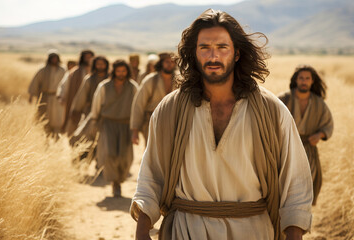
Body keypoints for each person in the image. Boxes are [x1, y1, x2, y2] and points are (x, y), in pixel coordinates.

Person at [131, 9, 313, 240]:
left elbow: (294, 180)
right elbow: (151, 175)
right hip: (186, 230)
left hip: (253, 232)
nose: (213, 56)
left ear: (237, 53)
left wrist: (294, 234)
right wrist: (142, 230)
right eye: (204, 48)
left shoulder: (271, 110)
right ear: (193, 54)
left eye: (222, 47)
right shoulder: (170, 110)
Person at [278, 65, 334, 206]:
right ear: (296, 80)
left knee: (306, 192)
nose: (304, 81)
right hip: (285, 150)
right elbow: (269, 121)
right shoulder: (283, 100)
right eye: (301, 78)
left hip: (309, 151)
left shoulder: (319, 103)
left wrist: (320, 135)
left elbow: (328, 124)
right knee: (282, 189)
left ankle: (300, 222)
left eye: (307, 78)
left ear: (312, 81)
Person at [90, 60, 138, 197]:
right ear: (114, 71)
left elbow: (138, 106)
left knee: (125, 156)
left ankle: (120, 180)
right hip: (108, 124)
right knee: (110, 154)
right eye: (118, 71)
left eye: (123, 71)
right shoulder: (104, 86)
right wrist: (94, 120)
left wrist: (136, 125)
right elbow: (97, 104)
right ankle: (114, 183)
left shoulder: (133, 87)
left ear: (127, 72)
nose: (121, 74)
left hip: (126, 124)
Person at [130, 52, 176, 146]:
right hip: (152, 122)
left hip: (175, 122)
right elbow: (139, 104)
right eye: (167, 61)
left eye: (172, 61)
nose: (170, 64)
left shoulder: (180, 80)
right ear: (161, 63)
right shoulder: (151, 80)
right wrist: (135, 131)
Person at [57, 50, 94, 135]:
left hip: (91, 102)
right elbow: (64, 84)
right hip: (76, 101)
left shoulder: (97, 72)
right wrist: (61, 96)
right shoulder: (75, 72)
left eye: (90, 57)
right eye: (86, 57)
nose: (88, 59)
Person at [28, 49, 65, 134]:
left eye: (56, 58)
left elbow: (66, 85)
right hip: (45, 97)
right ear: (49, 59)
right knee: (44, 117)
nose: (54, 60)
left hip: (58, 97)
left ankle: (56, 137)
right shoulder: (43, 70)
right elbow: (35, 82)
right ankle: (45, 136)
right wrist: (31, 96)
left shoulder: (63, 70)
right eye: (52, 58)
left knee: (57, 118)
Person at [70, 56, 109, 125]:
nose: (100, 66)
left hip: (107, 111)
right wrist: (76, 110)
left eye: (103, 64)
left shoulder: (110, 79)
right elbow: (82, 96)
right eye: (98, 64)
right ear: (94, 65)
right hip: (90, 110)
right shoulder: (89, 79)